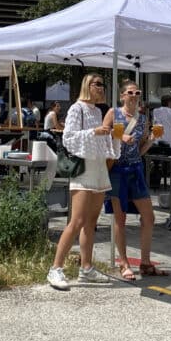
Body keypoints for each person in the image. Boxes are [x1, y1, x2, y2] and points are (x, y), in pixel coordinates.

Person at [46, 74, 120, 291]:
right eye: (98, 84)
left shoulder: (98, 111)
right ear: (87, 86)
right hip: (83, 168)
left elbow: (103, 142)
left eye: (102, 85)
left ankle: (86, 268)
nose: (101, 88)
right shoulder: (76, 108)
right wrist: (95, 132)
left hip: (98, 167)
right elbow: (69, 138)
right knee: (76, 221)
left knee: (91, 222)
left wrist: (114, 137)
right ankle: (56, 268)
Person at [103, 80, 167, 279]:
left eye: (137, 92)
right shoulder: (113, 113)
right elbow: (102, 134)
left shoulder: (142, 119)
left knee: (149, 217)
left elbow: (140, 150)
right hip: (117, 169)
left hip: (135, 169)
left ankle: (145, 263)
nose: (134, 95)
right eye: (130, 92)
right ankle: (124, 263)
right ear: (122, 95)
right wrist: (119, 137)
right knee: (120, 218)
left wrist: (152, 139)